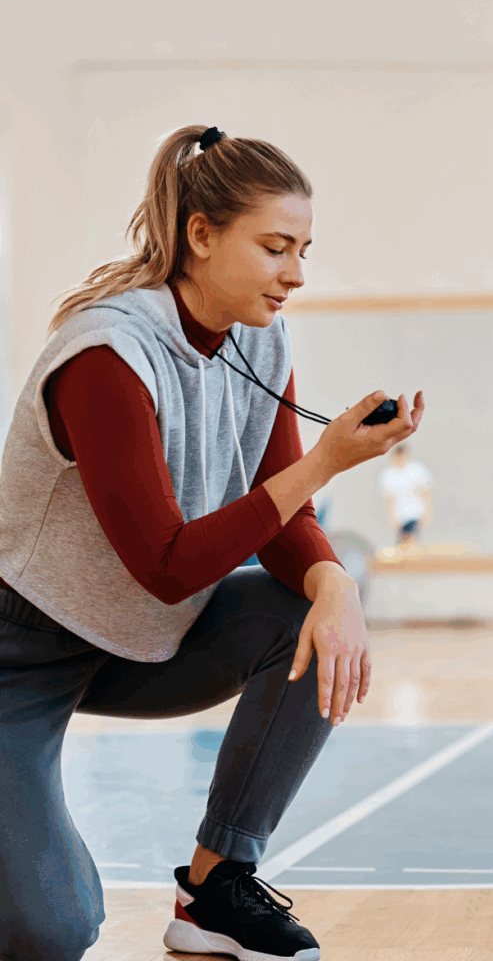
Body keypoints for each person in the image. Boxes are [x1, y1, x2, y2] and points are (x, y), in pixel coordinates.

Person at [0, 125, 424, 961]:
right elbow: (165, 566)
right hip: (17, 651)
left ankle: (217, 887)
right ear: (200, 236)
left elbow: (281, 529)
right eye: (275, 248)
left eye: (303, 249)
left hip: (131, 645)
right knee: (51, 931)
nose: (296, 273)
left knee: (301, 618)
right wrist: (327, 462)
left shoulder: (262, 339)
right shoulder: (107, 356)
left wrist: (334, 584)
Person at [379, 443, 433, 547]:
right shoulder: (388, 475)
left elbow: (425, 493)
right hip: (399, 516)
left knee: (412, 542)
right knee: (402, 544)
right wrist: (390, 519)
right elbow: (388, 500)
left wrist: (428, 513)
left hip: (415, 513)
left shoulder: (416, 470)